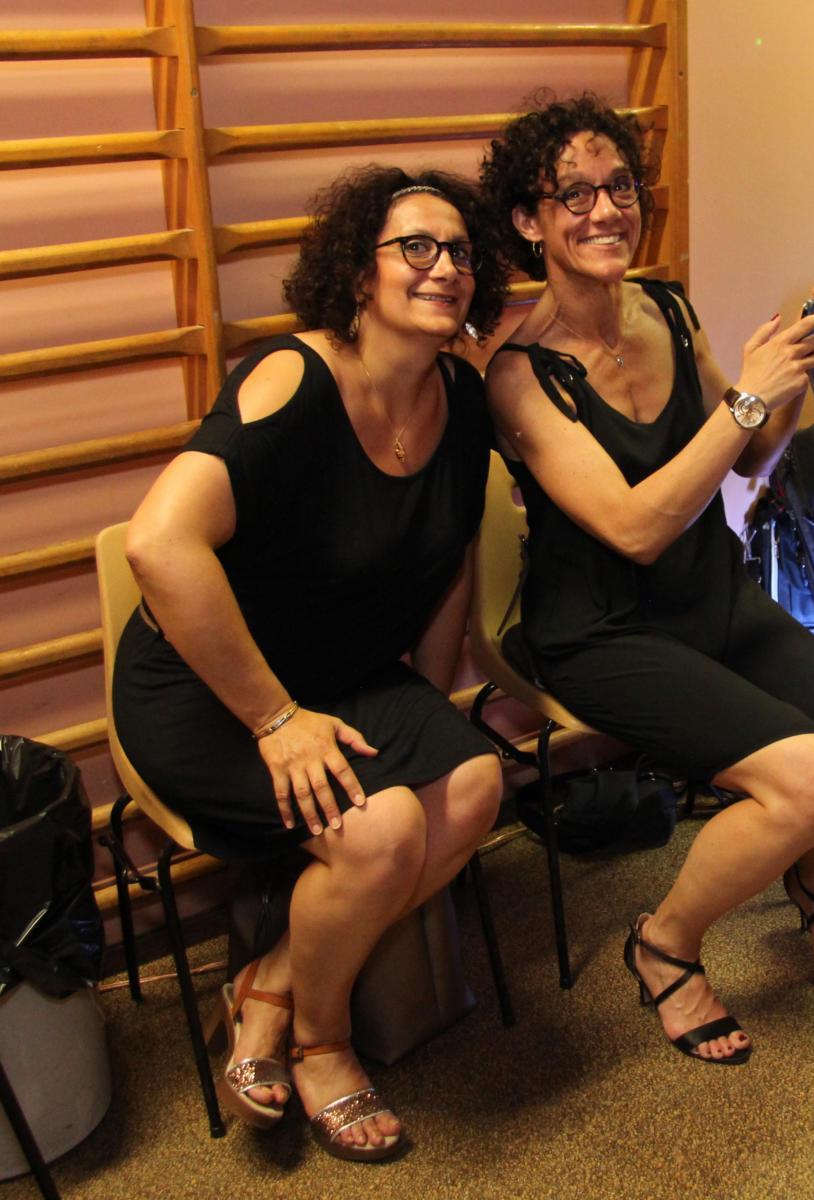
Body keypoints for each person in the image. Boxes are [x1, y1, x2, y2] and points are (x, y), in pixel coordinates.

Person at [480, 94, 814, 1064]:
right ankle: (663, 945)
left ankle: (813, 888)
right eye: (573, 194)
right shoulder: (518, 375)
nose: (604, 211)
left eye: (620, 187)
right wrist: (747, 396)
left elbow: (747, 453)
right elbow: (635, 528)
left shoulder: (666, 308)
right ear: (529, 220)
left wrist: (784, 381)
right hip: (602, 631)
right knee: (808, 778)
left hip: (707, 595)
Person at [112, 165, 509, 1158]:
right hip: (210, 687)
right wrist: (275, 720)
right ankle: (321, 1042)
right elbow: (157, 545)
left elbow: (448, 558)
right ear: (358, 272)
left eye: (460, 251)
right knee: (380, 832)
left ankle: (271, 984)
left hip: (345, 672)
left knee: (470, 783)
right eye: (414, 246)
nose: (443, 266)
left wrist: (427, 707)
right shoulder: (292, 377)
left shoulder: (461, 399)